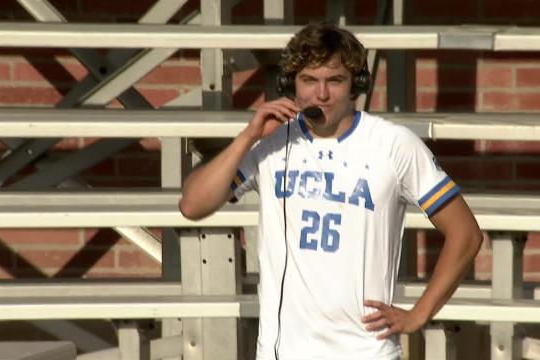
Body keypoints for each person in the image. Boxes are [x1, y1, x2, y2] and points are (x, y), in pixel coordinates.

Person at [179, 22, 483, 360]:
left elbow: (466, 234)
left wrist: (419, 314)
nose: (321, 94)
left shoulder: (393, 144)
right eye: (309, 80)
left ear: (357, 83)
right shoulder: (271, 142)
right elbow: (192, 205)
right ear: (289, 84)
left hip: (365, 352)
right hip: (281, 352)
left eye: (334, 80)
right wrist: (248, 136)